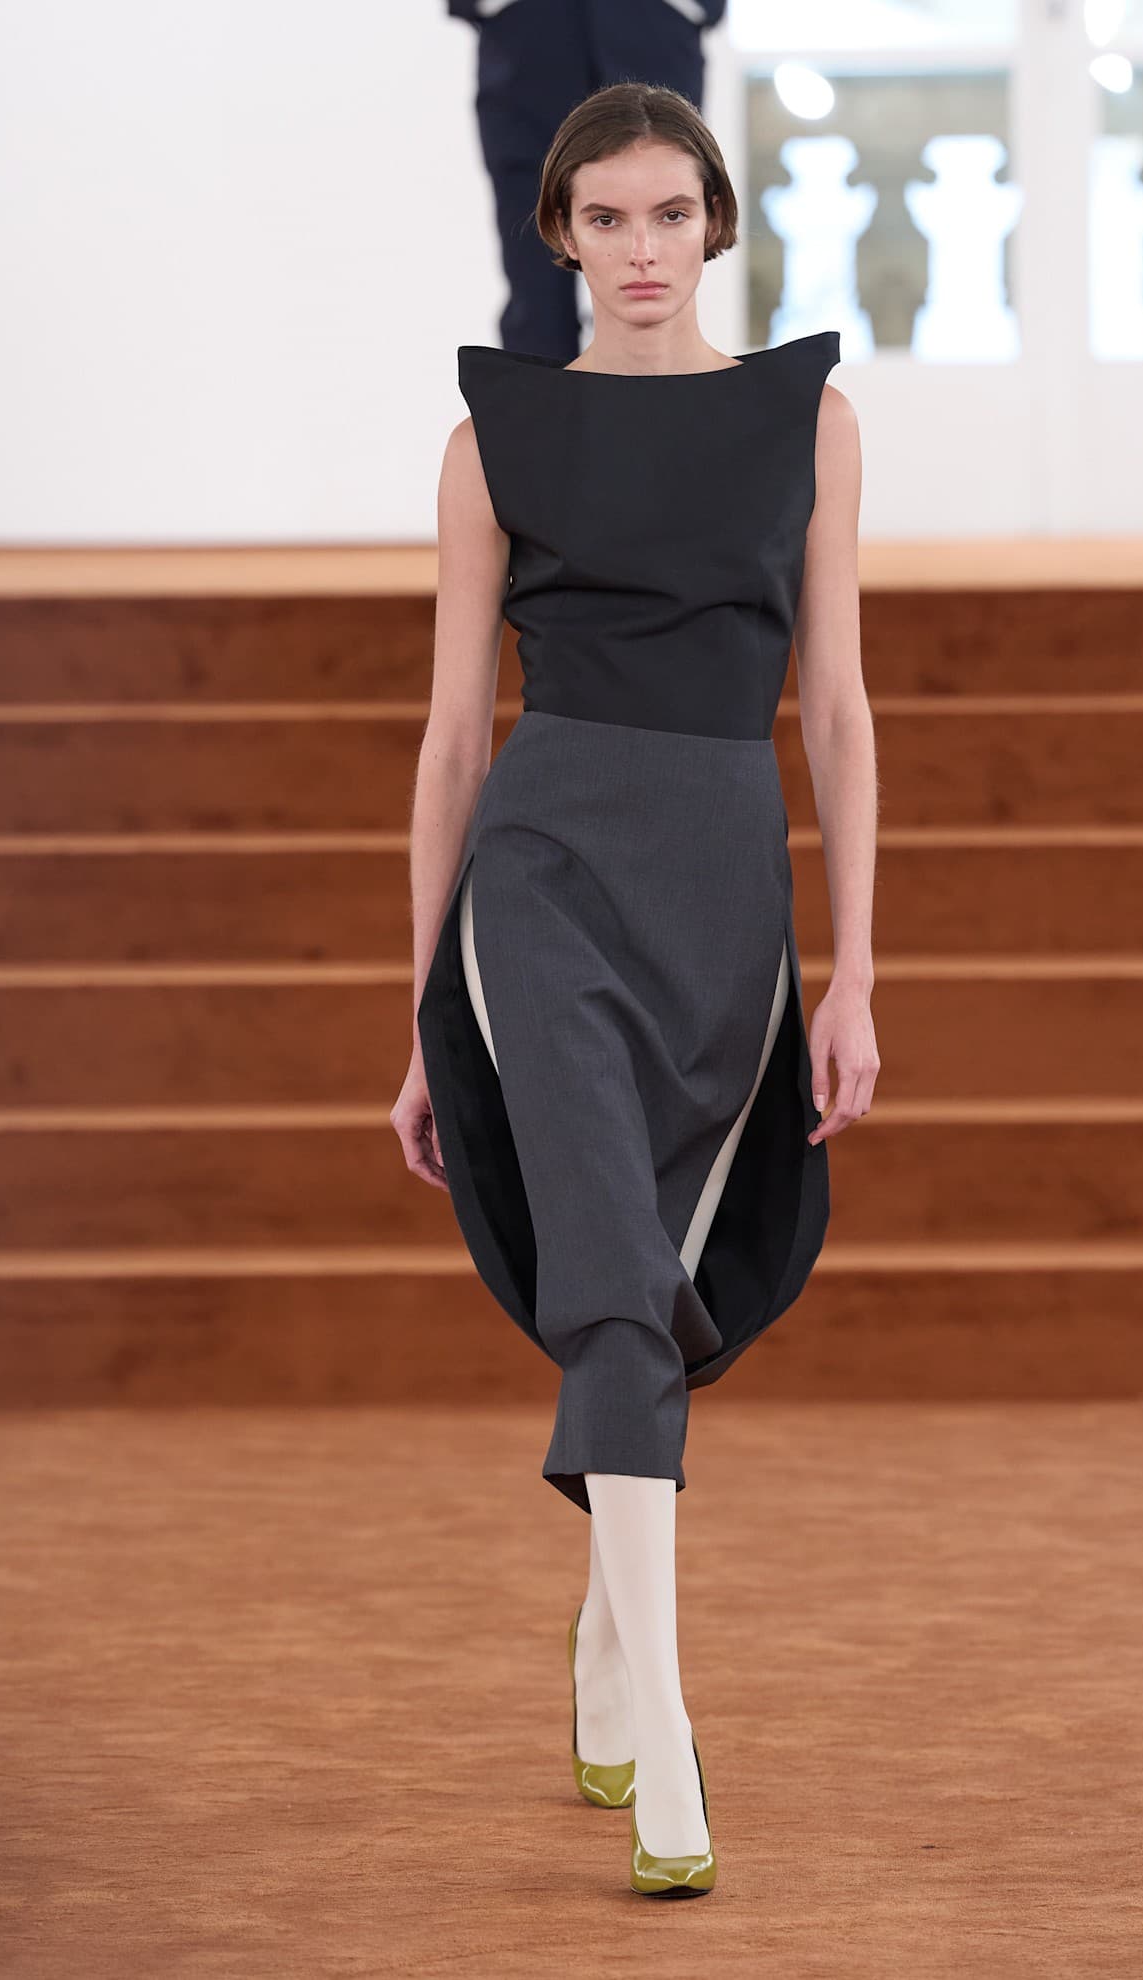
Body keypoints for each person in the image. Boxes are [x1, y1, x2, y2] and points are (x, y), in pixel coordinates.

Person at [392, 81, 879, 1897]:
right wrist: (424, 1010)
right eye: (606, 219)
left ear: (717, 224)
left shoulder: (806, 423)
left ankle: (608, 1642)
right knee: (611, 1284)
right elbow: (454, 738)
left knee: (669, 1284)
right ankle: (667, 1745)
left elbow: (838, 710)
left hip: (723, 890)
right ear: (561, 237)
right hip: (541, 879)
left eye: (672, 213)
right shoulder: (493, 441)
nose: (643, 249)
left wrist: (857, 971)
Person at [444, 0, 728, 358]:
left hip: (655, 32)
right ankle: (542, 396)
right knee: (536, 287)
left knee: (656, 278)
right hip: (527, 44)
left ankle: (664, 392)